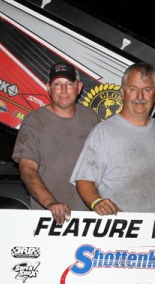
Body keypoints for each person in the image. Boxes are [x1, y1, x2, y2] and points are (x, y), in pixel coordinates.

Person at [70, 62, 155, 214]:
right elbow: (85, 179)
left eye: (146, 90)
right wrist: (96, 202)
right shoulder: (103, 133)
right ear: (122, 92)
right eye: (133, 89)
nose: (140, 97)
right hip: (122, 233)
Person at [12, 61, 99, 224]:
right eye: (57, 84)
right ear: (48, 88)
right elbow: (27, 169)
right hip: (49, 216)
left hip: (87, 217)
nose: (64, 90)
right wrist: (51, 203)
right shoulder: (34, 121)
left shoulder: (91, 118)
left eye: (69, 84)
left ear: (79, 87)